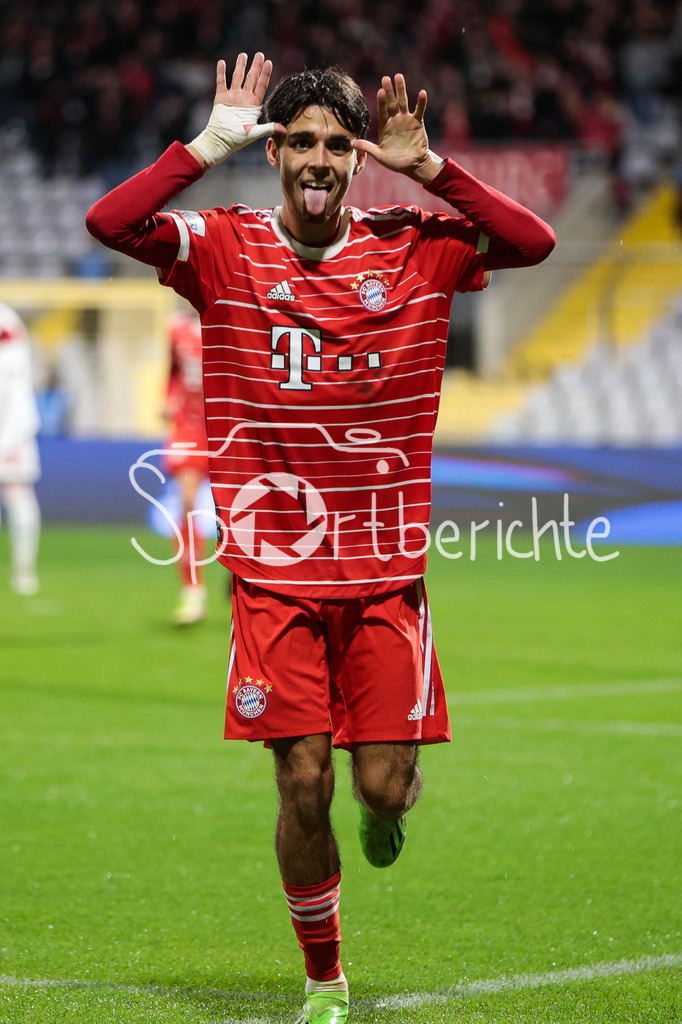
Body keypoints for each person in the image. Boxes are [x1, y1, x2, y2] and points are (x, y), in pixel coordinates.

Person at [87, 52, 555, 1024]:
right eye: (297, 140)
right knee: (301, 782)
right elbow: (110, 223)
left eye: (336, 145)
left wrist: (429, 169)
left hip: (386, 579)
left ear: (356, 159)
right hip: (270, 578)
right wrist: (204, 144)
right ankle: (325, 980)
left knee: (379, 787)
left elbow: (535, 241)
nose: (316, 159)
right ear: (274, 156)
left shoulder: (415, 243)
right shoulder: (223, 248)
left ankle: (386, 811)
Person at [161, 308, 211, 624]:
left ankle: (247, 579)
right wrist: (167, 398)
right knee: (188, 502)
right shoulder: (175, 328)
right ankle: (192, 591)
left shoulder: (228, 315)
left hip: (227, 423)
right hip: (189, 426)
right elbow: (173, 370)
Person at [0, 301, 41, 597]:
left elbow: (12, 379)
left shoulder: (6, 321)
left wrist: (12, 432)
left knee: (17, 491)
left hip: (10, 422)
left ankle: (24, 570)